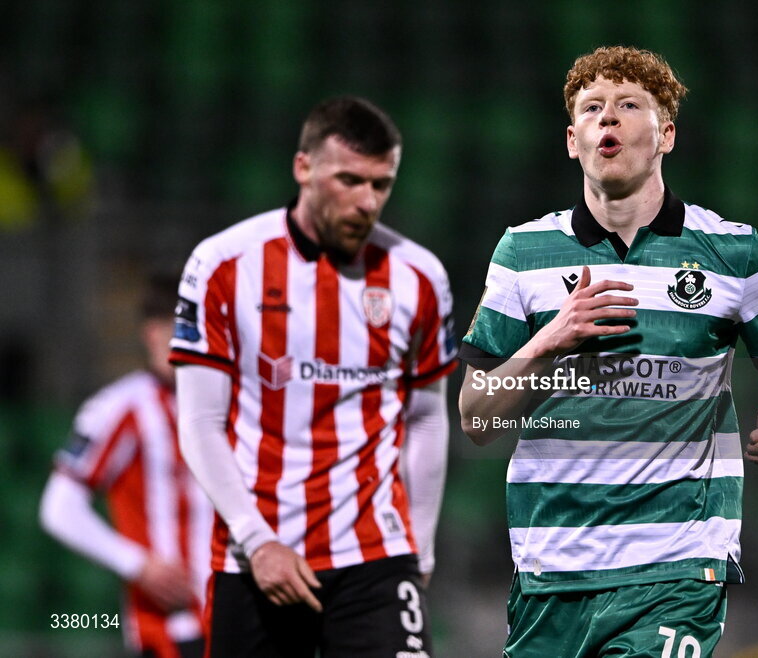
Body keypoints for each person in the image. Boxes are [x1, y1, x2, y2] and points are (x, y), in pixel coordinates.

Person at [458, 46, 758, 657]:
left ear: (666, 135)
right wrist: (550, 339)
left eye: (629, 105)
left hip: (676, 566)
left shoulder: (736, 254)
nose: (610, 119)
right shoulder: (523, 252)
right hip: (552, 567)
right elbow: (477, 419)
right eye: (593, 108)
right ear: (573, 140)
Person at [171, 96, 456, 657]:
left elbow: (426, 420)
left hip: (377, 554)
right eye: (349, 180)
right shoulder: (223, 265)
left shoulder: (420, 276)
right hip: (256, 556)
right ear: (303, 168)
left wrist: (419, 548)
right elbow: (200, 422)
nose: (366, 202)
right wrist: (257, 542)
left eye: (381, 184)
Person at [40, 272, 211, 658]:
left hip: (235, 618)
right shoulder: (120, 408)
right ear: (152, 333)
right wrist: (138, 565)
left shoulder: (227, 402)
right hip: (170, 627)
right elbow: (59, 508)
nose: (192, 343)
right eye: (178, 329)